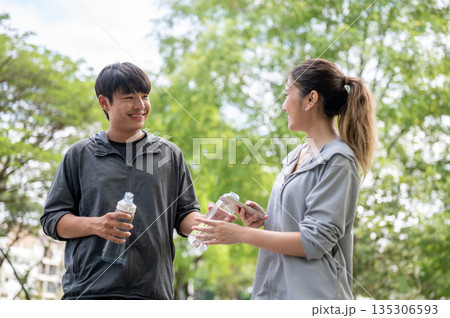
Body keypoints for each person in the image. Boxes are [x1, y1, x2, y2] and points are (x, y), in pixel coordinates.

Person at [192, 58, 377, 299]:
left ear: (310, 99)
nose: (283, 106)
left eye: (287, 94)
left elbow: (314, 242)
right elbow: (297, 226)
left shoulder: (339, 160)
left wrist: (239, 235)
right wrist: (264, 221)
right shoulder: (295, 156)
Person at [40, 62, 204, 299]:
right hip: (89, 295)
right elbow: (52, 219)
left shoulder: (169, 154)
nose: (140, 105)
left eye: (145, 96)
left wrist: (206, 224)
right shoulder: (81, 154)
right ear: (104, 102)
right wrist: (96, 225)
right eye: (129, 97)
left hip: (153, 295)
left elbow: (185, 215)